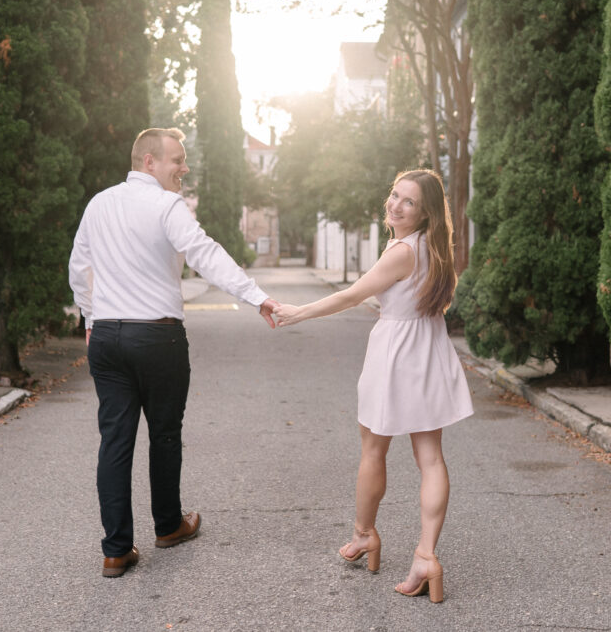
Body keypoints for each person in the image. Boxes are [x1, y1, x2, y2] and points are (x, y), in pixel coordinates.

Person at [69, 127, 279, 578]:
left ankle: (115, 551)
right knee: (164, 433)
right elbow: (204, 252)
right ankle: (168, 526)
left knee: (115, 440)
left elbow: (78, 267)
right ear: (149, 162)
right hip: (157, 338)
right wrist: (256, 295)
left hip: (106, 336)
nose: (184, 168)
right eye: (176, 160)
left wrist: (91, 319)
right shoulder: (167, 205)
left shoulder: (98, 203)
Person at [273, 169, 472, 603]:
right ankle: (425, 556)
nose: (395, 205)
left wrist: (297, 312)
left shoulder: (402, 250)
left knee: (373, 449)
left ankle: (365, 536)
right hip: (429, 348)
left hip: (397, 352)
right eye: (395, 195)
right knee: (431, 457)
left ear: (425, 213)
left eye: (408, 202)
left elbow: (351, 295)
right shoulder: (434, 247)